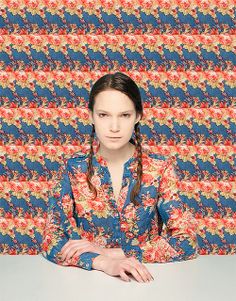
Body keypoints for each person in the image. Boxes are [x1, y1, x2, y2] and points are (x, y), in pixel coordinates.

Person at [41, 72, 199, 283]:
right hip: (84, 284)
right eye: (104, 115)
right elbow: (51, 240)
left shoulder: (159, 168)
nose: (114, 127)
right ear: (91, 116)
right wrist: (103, 262)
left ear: (138, 116)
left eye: (124, 115)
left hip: (149, 283)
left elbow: (187, 242)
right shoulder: (73, 168)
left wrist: (117, 253)